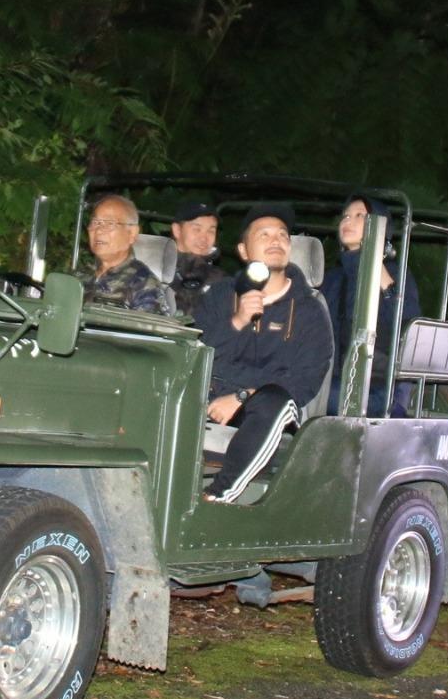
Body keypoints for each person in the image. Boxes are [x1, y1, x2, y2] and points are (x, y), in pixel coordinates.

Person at [194, 204, 333, 502]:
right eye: (265, 234)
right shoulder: (220, 296)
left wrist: (243, 396)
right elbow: (197, 353)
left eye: (283, 235)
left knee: (276, 401)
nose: (276, 241)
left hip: (266, 411)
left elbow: (305, 380)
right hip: (210, 397)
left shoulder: (310, 311)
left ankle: (218, 496)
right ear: (244, 251)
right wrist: (238, 321)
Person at [321, 195, 422, 417]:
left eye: (360, 216)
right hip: (335, 378)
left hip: (378, 386)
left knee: (317, 395)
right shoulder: (333, 278)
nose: (349, 221)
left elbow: (408, 327)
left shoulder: (395, 274)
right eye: (346, 216)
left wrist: (379, 270)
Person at [77, 193, 177, 316]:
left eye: (109, 224)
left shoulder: (143, 284)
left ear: (132, 234)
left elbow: (147, 333)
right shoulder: (78, 276)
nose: (99, 230)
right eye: (95, 222)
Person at [166, 200, 222, 319]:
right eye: (197, 229)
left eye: (211, 231)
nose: (204, 237)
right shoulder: (157, 267)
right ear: (177, 230)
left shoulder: (221, 281)